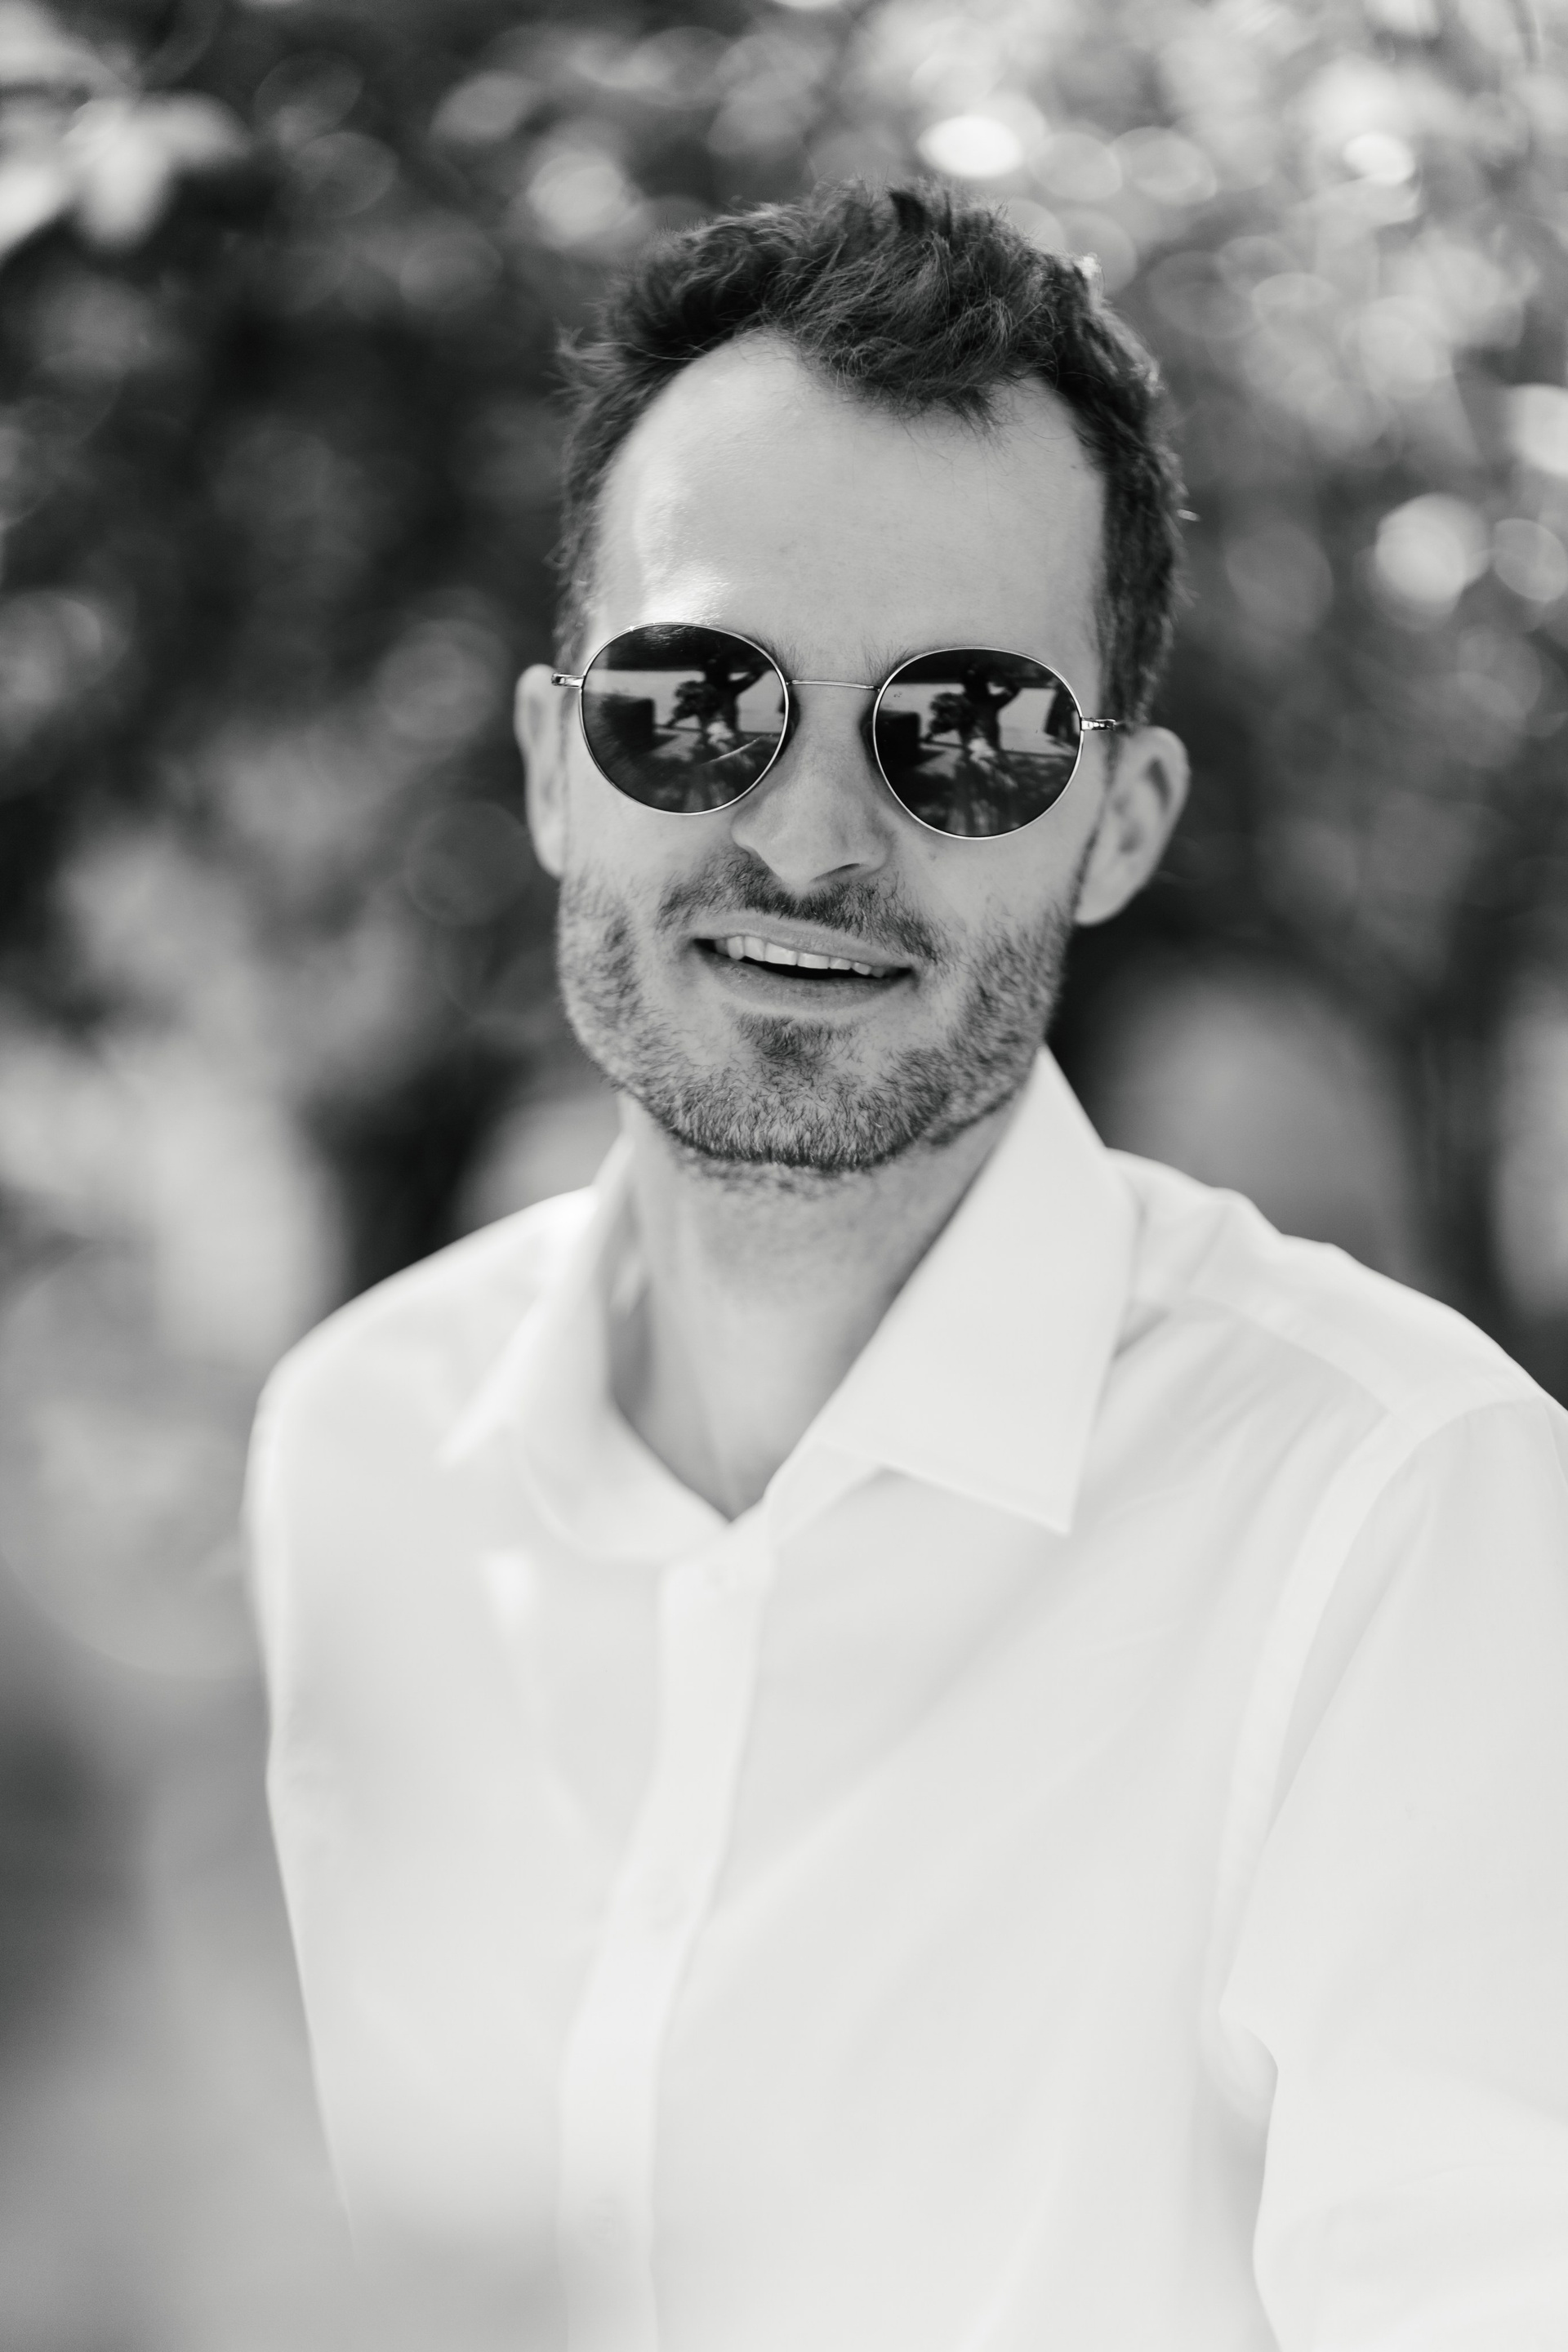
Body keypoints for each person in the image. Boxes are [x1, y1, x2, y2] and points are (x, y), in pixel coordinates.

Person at [247, 185, 1568, 2352]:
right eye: (696, 702)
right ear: (558, 768)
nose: (807, 838)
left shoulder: (1397, 1518)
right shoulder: (353, 1453)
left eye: (965, 728)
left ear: (1118, 822)